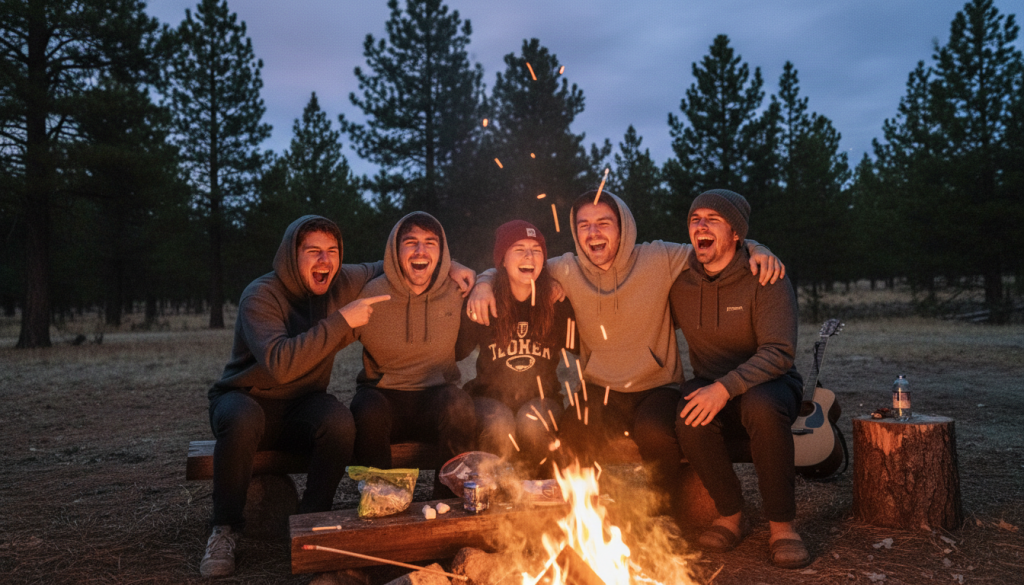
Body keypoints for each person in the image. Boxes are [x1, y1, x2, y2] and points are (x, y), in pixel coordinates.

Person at [467, 191, 784, 515]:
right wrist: (483, 281)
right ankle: (580, 517)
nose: (593, 232)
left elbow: (717, 247)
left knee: (657, 434)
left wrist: (757, 247)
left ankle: (665, 513)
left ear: (623, 227)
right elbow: (516, 265)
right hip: (600, 386)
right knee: (575, 431)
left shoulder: (659, 257)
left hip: (657, 385)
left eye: (603, 223)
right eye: (584, 225)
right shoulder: (567, 268)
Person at [201, 216, 387, 578]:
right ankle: (224, 529)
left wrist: (462, 269)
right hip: (245, 399)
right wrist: (341, 322)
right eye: (313, 251)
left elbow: (390, 264)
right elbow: (280, 365)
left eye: (332, 252)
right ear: (291, 255)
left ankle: (309, 524)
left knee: (338, 422)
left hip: (301, 405)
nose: (325, 260)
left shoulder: (340, 281)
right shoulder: (261, 295)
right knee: (242, 419)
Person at [670, 189, 808, 568]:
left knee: (761, 407)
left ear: (736, 234)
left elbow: (779, 352)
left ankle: (783, 525)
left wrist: (724, 388)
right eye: (695, 218)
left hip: (772, 384)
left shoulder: (766, 276)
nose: (700, 225)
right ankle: (730, 513)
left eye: (713, 218)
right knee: (688, 414)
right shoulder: (680, 284)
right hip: (712, 382)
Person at [349, 212, 477, 497]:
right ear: (396, 250)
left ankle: (447, 503)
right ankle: (383, 500)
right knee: (366, 410)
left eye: (430, 243)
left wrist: (463, 272)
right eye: (411, 242)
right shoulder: (369, 292)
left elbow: (489, 285)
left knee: (459, 405)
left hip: (435, 396)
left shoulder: (457, 291)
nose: (421, 250)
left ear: (442, 252)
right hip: (384, 395)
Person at [456, 220, 573, 475]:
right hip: (488, 398)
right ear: (503, 260)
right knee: (499, 424)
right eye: (519, 248)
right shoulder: (486, 298)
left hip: (543, 399)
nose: (529, 256)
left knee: (532, 422)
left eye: (536, 249)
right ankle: (488, 492)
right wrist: (478, 288)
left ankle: (542, 491)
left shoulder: (556, 301)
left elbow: (580, 347)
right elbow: (457, 351)